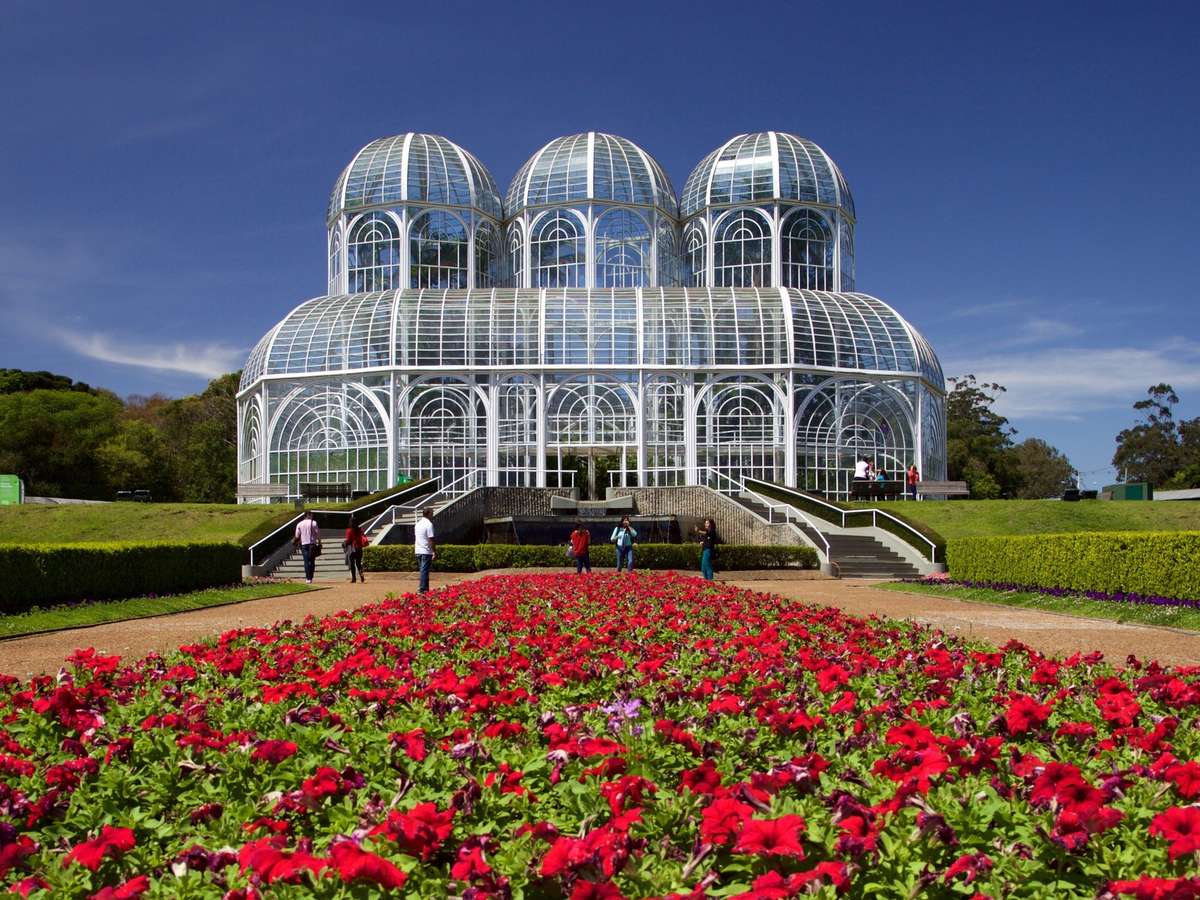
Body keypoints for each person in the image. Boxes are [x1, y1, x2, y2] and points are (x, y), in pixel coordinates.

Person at [293, 510, 321, 584]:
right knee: (312, 561)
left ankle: (307, 578)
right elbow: (318, 534)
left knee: (306, 561)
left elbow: (297, 535)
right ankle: (311, 577)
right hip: (312, 544)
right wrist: (320, 542)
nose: (312, 516)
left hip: (304, 544)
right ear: (309, 515)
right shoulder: (314, 523)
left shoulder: (299, 524)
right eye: (311, 515)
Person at [414, 507, 436, 594]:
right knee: (424, 571)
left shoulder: (418, 524)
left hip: (418, 549)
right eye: (432, 513)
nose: (433, 515)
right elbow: (431, 539)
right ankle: (423, 589)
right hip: (426, 551)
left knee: (423, 570)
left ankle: (425, 588)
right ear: (429, 514)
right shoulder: (429, 524)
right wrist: (434, 551)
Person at [343, 515, 368, 583]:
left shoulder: (349, 530)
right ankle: (362, 576)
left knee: (352, 564)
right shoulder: (360, 530)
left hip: (352, 549)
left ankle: (354, 578)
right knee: (358, 564)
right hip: (359, 548)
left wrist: (344, 543)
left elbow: (348, 540)